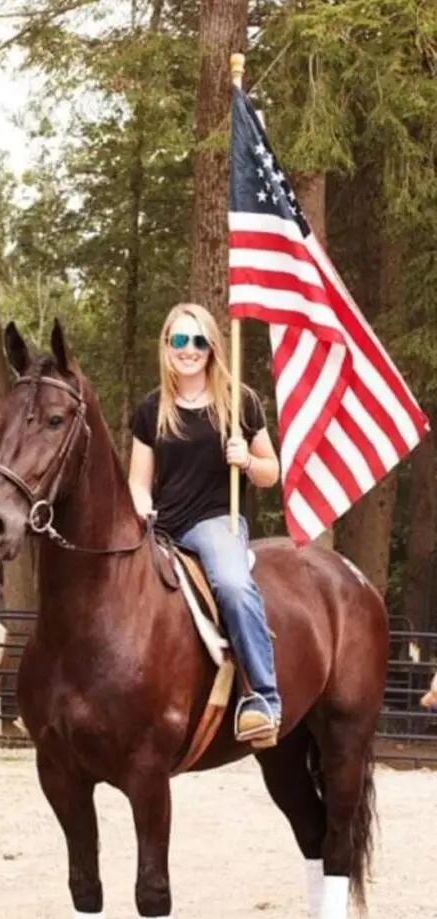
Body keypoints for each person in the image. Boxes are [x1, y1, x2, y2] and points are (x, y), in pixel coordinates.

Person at [128, 302, 282, 748]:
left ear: (212, 346)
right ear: (166, 346)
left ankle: (264, 699)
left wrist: (247, 460)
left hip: (216, 522)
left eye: (198, 341)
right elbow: (139, 483)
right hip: (163, 527)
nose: (189, 350)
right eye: (179, 340)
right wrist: (142, 513)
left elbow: (271, 473)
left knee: (233, 585)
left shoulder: (240, 401)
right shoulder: (151, 408)